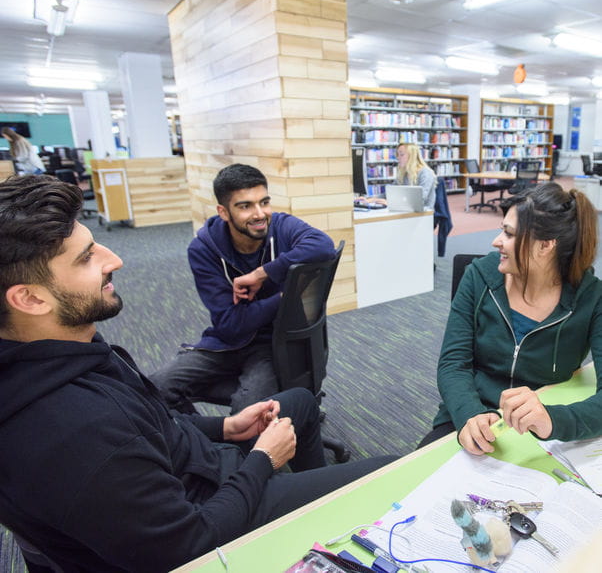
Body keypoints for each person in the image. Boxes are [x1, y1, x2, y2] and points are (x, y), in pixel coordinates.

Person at [0, 174, 395, 572]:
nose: (114, 260)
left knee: (300, 401)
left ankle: (327, 513)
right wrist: (262, 459)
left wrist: (226, 429)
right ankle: (324, 508)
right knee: (391, 474)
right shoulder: (73, 432)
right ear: (30, 298)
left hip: (211, 462)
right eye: (86, 257)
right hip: (213, 510)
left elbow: (155, 424)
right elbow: (189, 546)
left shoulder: (78, 348)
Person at [420, 181, 602, 455]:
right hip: (471, 417)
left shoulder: (591, 298)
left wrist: (553, 419)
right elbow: (453, 363)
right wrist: (469, 414)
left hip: (539, 428)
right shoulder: (479, 276)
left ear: (546, 246)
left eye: (509, 233)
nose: (496, 242)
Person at [154, 163, 336, 414]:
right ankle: (202, 443)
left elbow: (323, 245)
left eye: (264, 202)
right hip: (226, 343)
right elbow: (230, 324)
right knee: (155, 389)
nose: (260, 214)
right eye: (245, 206)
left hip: (274, 345)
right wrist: (285, 297)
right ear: (224, 212)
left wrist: (262, 273)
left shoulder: (281, 227)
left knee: (248, 410)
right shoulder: (203, 250)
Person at [358, 142, 437, 209]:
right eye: (397, 155)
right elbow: (389, 193)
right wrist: (370, 199)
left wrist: (391, 203)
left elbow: (419, 201)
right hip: (406, 213)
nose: (398, 158)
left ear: (412, 157)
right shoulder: (404, 173)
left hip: (423, 216)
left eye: (401, 155)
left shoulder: (425, 173)